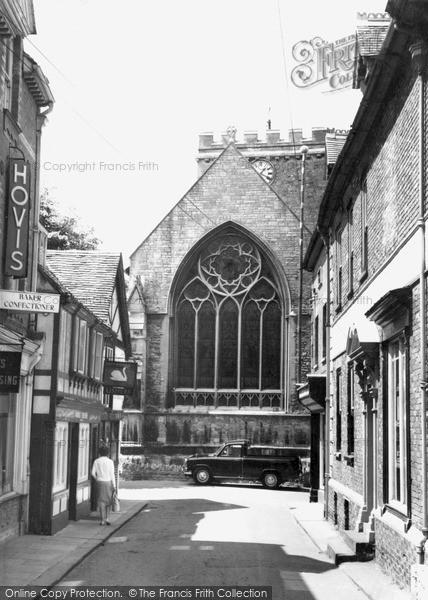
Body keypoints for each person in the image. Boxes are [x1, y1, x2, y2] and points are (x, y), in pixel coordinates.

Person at [91, 445, 116, 525]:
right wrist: (114, 485)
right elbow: (112, 474)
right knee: (108, 501)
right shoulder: (110, 462)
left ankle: (102, 520)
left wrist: (97, 478)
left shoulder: (96, 461)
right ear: (108, 453)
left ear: (100, 452)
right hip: (108, 482)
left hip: (100, 482)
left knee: (101, 501)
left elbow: (92, 473)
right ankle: (107, 518)